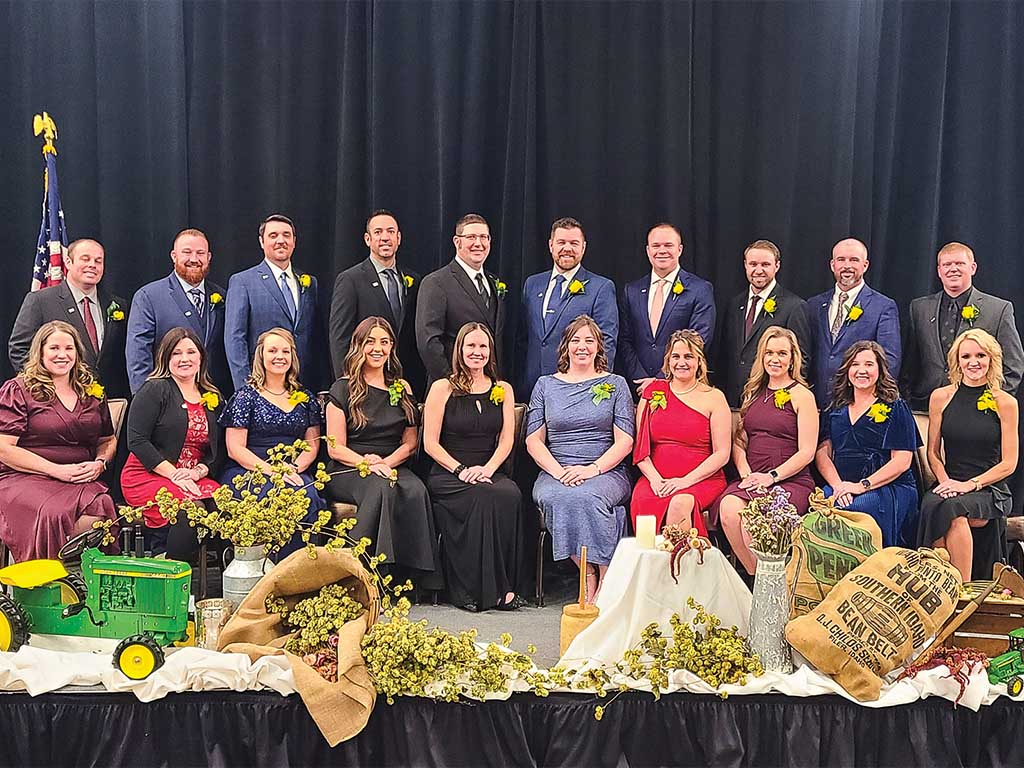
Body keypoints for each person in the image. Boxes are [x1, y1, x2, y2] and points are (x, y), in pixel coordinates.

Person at [526, 315, 634, 603]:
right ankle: (587, 574)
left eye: (589, 340)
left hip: (605, 470)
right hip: (556, 469)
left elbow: (625, 440)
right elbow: (533, 440)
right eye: (576, 340)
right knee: (556, 497)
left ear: (599, 347)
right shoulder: (545, 385)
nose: (582, 346)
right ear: (566, 347)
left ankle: (606, 573)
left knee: (589, 497)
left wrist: (591, 470)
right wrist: (559, 472)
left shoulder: (615, 384)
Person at [324, 317, 436, 579]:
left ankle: (411, 577)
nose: (377, 348)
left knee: (415, 489)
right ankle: (359, 570)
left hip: (391, 461)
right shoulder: (342, 388)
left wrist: (385, 463)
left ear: (392, 348)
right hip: (348, 466)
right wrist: (368, 464)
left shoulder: (401, 387)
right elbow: (335, 447)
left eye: (384, 342)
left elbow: (410, 442)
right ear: (358, 346)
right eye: (370, 341)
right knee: (381, 486)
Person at [423, 322, 523, 612]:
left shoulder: (502, 388)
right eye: (471, 346)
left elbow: (507, 439)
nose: (476, 352)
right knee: (481, 496)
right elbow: (430, 443)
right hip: (449, 472)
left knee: (510, 494)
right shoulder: (443, 388)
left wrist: (488, 469)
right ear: (460, 350)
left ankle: (503, 587)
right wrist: (460, 470)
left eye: (482, 346)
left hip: (488, 470)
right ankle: (467, 589)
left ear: (490, 351)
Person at [0, 321, 118, 561]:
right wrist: (56, 470)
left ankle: (77, 581)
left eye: (69, 348)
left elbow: (108, 439)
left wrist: (100, 463)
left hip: (77, 478)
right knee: (52, 512)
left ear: (77, 352)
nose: (62, 355)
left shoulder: (91, 391)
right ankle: (39, 581)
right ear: (40, 352)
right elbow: (4, 449)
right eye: (54, 348)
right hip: (23, 477)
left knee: (101, 507)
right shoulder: (19, 389)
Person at [714, 327, 818, 575]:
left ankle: (768, 583)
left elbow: (807, 452)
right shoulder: (752, 392)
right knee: (728, 508)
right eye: (769, 353)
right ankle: (755, 579)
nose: (775, 359)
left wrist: (771, 477)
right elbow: (739, 440)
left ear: (793, 358)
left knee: (754, 520)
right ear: (762, 357)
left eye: (782, 353)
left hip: (788, 479)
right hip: (753, 477)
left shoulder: (802, 396)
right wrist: (746, 473)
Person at [918, 329, 1019, 581]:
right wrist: (945, 483)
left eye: (980, 355)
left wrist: (969, 485)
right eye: (966, 356)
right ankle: (941, 585)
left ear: (991, 359)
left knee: (953, 509)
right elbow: (932, 451)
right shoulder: (940, 397)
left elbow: (1009, 463)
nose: (973, 362)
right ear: (957, 361)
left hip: (988, 488)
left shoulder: (1005, 402)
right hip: (949, 482)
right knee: (936, 504)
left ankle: (960, 589)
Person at [219, 328, 325, 560]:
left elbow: (312, 444)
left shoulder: (305, 398)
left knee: (307, 495)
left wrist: (293, 468)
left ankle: (298, 571)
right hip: (250, 471)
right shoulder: (246, 397)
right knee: (280, 496)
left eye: (285, 351)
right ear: (261, 356)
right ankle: (269, 571)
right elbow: (234, 447)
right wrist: (273, 471)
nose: (279, 356)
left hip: (293, 468)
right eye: (273, 350)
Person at [121, 328, 223, 561]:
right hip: (148, 474)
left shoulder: (212, 395)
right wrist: (175, 474)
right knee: (191, 510)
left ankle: (223, 585)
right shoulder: (155, 389)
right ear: (166, 358)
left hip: (191, 475)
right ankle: (172, 573)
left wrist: (198, 472)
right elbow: (136, 440)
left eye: (190, 352)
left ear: (201, 357)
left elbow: (218, 451)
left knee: (225, 504)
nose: (184, 359)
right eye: (176, 353)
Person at [815, 341, 921, 548]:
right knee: (824, 507)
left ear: (880, 370)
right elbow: (822, 453)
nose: (861, 370)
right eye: (855, 364)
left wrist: (861, 486)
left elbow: (902, 461)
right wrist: (838, 486)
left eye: (869, 364)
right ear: (847, 370)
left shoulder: (896, 407)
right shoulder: (835, 407)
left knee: (857, 509)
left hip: (888, 486)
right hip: (842, 484)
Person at [632, 330, 730, 537]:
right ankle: (653, 569)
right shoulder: (653, 392)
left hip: (701, 480)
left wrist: (685, 481)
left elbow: (722, 454)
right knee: (642, 499)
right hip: (656, 479)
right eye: (676, 356)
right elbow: (640, 449)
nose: (681, 362)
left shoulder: (714, 397)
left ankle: (681, 567)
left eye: (689, 356)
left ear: (699, 362)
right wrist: (655, 479)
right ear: (668, 361)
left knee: (679, 503)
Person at [903, 242, 1024, 410]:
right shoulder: (919, 308)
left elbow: (1014, 365)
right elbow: (909, 365)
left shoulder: (998, 309)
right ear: (939, 271)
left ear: (973, 268)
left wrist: (991, 404)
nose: (953, 269)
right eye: (947, 264)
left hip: (976, 412)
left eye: (959, 263)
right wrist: (908, 400)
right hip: (925, 408)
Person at [9, 238, 129, 398]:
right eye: (85, 259)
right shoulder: (40, 301)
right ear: (68, 262)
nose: (92, 265)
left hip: (110, 403)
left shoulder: (117, 304)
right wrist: (45, 386)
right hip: (56, 402)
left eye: (98, 261)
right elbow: (19, 348)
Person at [515, 217, 618, 398]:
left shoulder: (601, 287)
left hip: (578, 390)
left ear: (583, 247)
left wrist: (596, 388)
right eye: (561, 242)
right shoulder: (532, 284)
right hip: (532, 389)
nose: (567, 249)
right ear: (551, 245)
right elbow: (523, 339)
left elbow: (606, 341)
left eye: (574, 243)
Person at [328, 210, 423, 395]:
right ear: (367, 239)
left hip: (405, 381)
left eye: (390, 231)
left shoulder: (414, 280)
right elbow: (340, 337)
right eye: (378, 232)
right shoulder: (350, 280)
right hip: (363, 383)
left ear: (399, 238)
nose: (385, 237)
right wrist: (347, 384)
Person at [224, 214, 322, 390]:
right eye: (273, 235)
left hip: (303, 387)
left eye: (286, 235)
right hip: (262, 386)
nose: (281, 240)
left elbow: (315, 337)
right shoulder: (243, 282)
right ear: (262, 242)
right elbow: (235, 339)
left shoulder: (309, 283)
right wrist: (246, 388)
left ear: (294, 241)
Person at [126, 228, 229, 395]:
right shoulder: (148, 297)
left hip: (214, 398)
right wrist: (144, 400)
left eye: (200, 253)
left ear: (209, 257)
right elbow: (138, 356)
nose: (194, 259)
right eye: (187, 252)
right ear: (174, 256)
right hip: (168, 400)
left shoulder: (222, 296)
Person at [618, 223, 716, 393]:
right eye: (656, 246)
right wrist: (640, 379)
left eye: (668, 245)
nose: (662, 250)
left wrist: (660, 380)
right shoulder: (631, 290)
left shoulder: (700, 289)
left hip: (680, 387)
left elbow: (699, 339)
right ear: (648, 251)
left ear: (680, 249)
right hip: (638, 388)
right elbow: (625, 339)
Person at [806, 238, 902, 409]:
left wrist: (868, 404)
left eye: (854, 260)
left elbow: (889, 361)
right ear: (832, 265)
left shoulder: (883, 306)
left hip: (857, 406)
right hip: (815, 405)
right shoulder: (813, 305)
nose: (847, 266)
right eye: (841, 260)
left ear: (865, 265)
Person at [416, 213, 508, 383]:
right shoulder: (436, 282)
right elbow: (428, 341)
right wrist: (453, 381)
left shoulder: (494, 282)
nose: (478, 243)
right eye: (471, 237)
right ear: (457, 242)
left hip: (489, 386)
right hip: (452, 389)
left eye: (483, 237)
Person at [717, 239, 811, 406]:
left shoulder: (794, 306)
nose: (758, 270)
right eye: (753, 264)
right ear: (745, 265)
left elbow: (801, 360)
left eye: (765, 264)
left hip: (770, 402)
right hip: (732, 401)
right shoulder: (734, 304)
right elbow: (727, 355)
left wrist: (782, 399)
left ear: (777, 266)